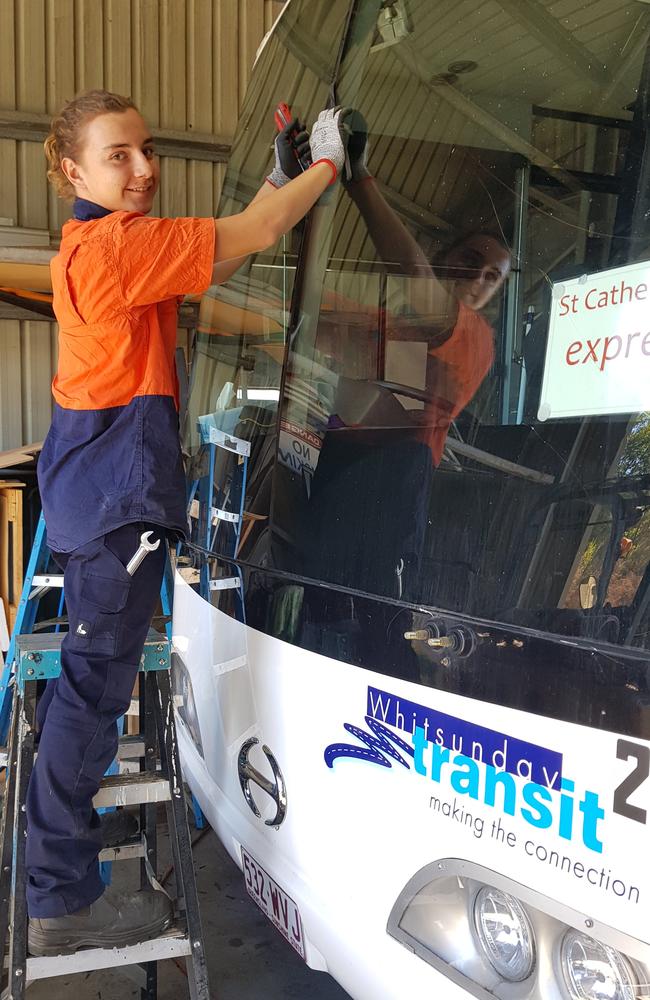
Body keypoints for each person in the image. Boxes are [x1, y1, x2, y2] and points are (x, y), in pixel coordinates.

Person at [27, 89, 349, 957]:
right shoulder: (114, 247)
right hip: (115, 502)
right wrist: (323, 168)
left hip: (100, 497)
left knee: (84, 692)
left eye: (146, 149)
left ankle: (61, 878)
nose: (142, 168)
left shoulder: (106, 249)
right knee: (91, 697)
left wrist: (277, 179)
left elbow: (229, 241)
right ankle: (59, 897)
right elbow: (256, 236)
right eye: (117, 155)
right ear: (72, 171)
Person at [341, 111, 511, 463]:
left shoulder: (476, 342)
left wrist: (358, 179)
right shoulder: (396, 328)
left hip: (398, 479)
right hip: (343, 461)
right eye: (470, 260)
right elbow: (305, 313)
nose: (477, 278)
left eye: (492, 277)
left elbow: (412, 271)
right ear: (442, 256)